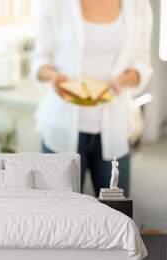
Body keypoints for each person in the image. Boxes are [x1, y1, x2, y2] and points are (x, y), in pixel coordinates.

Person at [32, 0, 153, 197]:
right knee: (60, 216)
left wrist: (122, 80)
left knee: (116, 215)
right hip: (61, 129)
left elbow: (142, 65)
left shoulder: (139, 5)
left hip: (115, 130)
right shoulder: (54, 4)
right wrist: (53, 76)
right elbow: (40, 59)